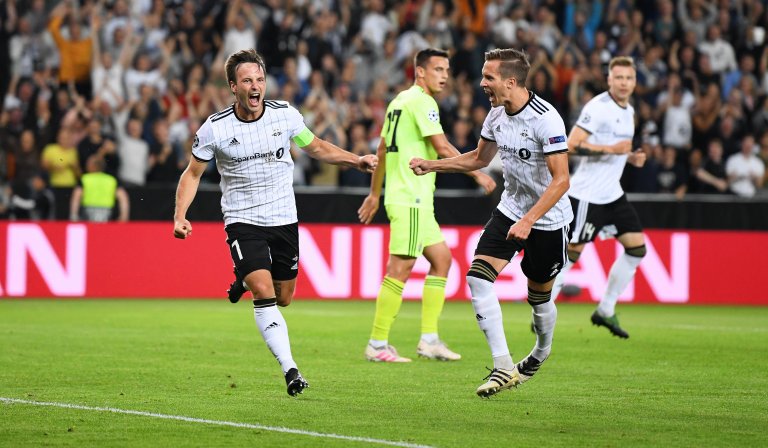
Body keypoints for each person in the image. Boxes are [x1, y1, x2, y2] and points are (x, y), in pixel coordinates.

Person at [173, 49, 377, 396]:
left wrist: (355, 160)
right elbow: (192, 174)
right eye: (247, 81)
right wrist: (180, 216)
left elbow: (316, 147)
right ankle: (291, 370)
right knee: (265, 293)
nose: (255, 87)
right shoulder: (215, 129)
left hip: (283, 218)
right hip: (242, 220)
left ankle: (243, 277)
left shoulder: (285, 117)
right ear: (232, 87)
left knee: (284, 298)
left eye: (260, 80)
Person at [410, 48, 572, 397]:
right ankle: (502, 367)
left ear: (511, 82)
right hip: (511, 209)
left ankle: (541, 352)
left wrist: (530, 220)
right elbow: (478, 159)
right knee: (477, 278)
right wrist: (431, 164)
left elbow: (561, 181)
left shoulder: (547, 119)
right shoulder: (496, 115)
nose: (482, 83)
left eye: (489, 77)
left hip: (548, 219)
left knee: (539, 300)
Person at [357, 48, 496, 363]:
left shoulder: (399, 102)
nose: (444, 75)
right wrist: (477, 174)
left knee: (442, 260)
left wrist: (375, 194)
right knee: (401, 269)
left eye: (446, 69)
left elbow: (381, 149)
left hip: (409, 197)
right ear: (420, 72)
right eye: (437, 69)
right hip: (412, 198)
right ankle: (377, 344)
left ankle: (429, 339)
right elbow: (442, 145)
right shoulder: (422, 101)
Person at [549, 56, 647, 339]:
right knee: (571, 255)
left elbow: (616, 150)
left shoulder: (629, 111)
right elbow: (571, 145)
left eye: (628, 78)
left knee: (637, 249)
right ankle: (544, 308)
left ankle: (605, 309)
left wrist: (629, 157)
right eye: (618, 78)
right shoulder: (598, 107)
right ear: (609, 80)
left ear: (634, 81)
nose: (624, 83)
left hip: (612, 194)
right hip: (588, 194)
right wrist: (614, 150)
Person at [69, 155, 129, 222]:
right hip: (107, 211)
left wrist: (73, 215)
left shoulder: (85, 179)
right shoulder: (111, 180)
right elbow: (123, 197)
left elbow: (76, 196)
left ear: (92, 166)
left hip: (88, 209)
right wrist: (124, 215)